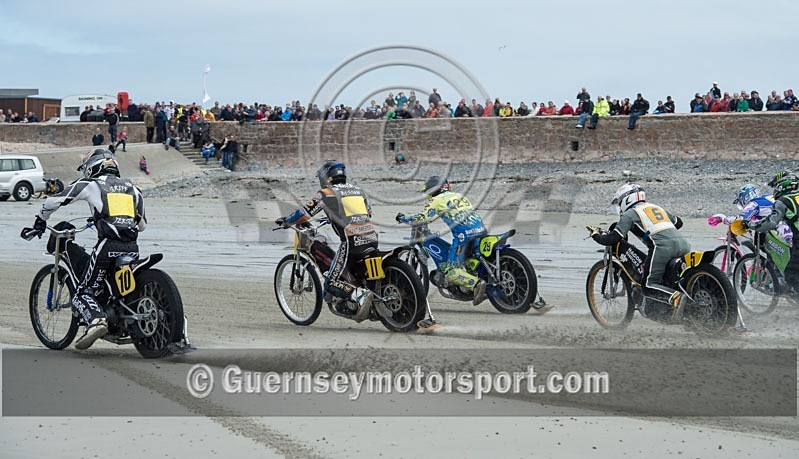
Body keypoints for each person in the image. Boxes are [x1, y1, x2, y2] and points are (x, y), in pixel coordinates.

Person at [27, 149, 146, 349]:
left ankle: (96, 320)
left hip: (108, 246)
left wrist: (40, 220)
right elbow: (141, 225)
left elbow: (54, 200)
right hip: (132, 248)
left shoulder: (91, 184)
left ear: (92, 166)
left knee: (82, 292)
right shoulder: (133, 189)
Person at [275, 160, 378, 319]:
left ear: (326, 177)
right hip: (372, 238)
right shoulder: (358, 190)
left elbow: (304, 214)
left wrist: (288, 221)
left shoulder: (326, 193)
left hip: (351, 242)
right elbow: (367, 213)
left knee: (330, 283)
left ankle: (358, 294)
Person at [589, 184, 690, 315]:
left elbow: (612, 239)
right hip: (684, 244)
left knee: (648, 286)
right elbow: (678, 223)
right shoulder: (656, 207)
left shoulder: (630, 214)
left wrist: (595, 235)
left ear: (626, 200)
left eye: (620, 203)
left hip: (662, 248)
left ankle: (676, 298)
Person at [396, 176, 488, 306]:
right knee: (464, 257)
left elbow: (421, 218)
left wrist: (403, 218)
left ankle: (476, 284)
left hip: (463, 236)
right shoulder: (459, 195)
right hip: (480, 230)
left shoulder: (436, 200)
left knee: (450, 272)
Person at [749, 172, 799, 300]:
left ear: (783, 185)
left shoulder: (783, 201)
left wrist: (754, 226)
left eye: (776, 186)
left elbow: (771, 222)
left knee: (791, 274)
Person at [708, 184, 793, 246]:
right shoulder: (767, 197)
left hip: (783, 232)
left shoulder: (755, 203)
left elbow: (740, 220)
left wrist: (722, 219)